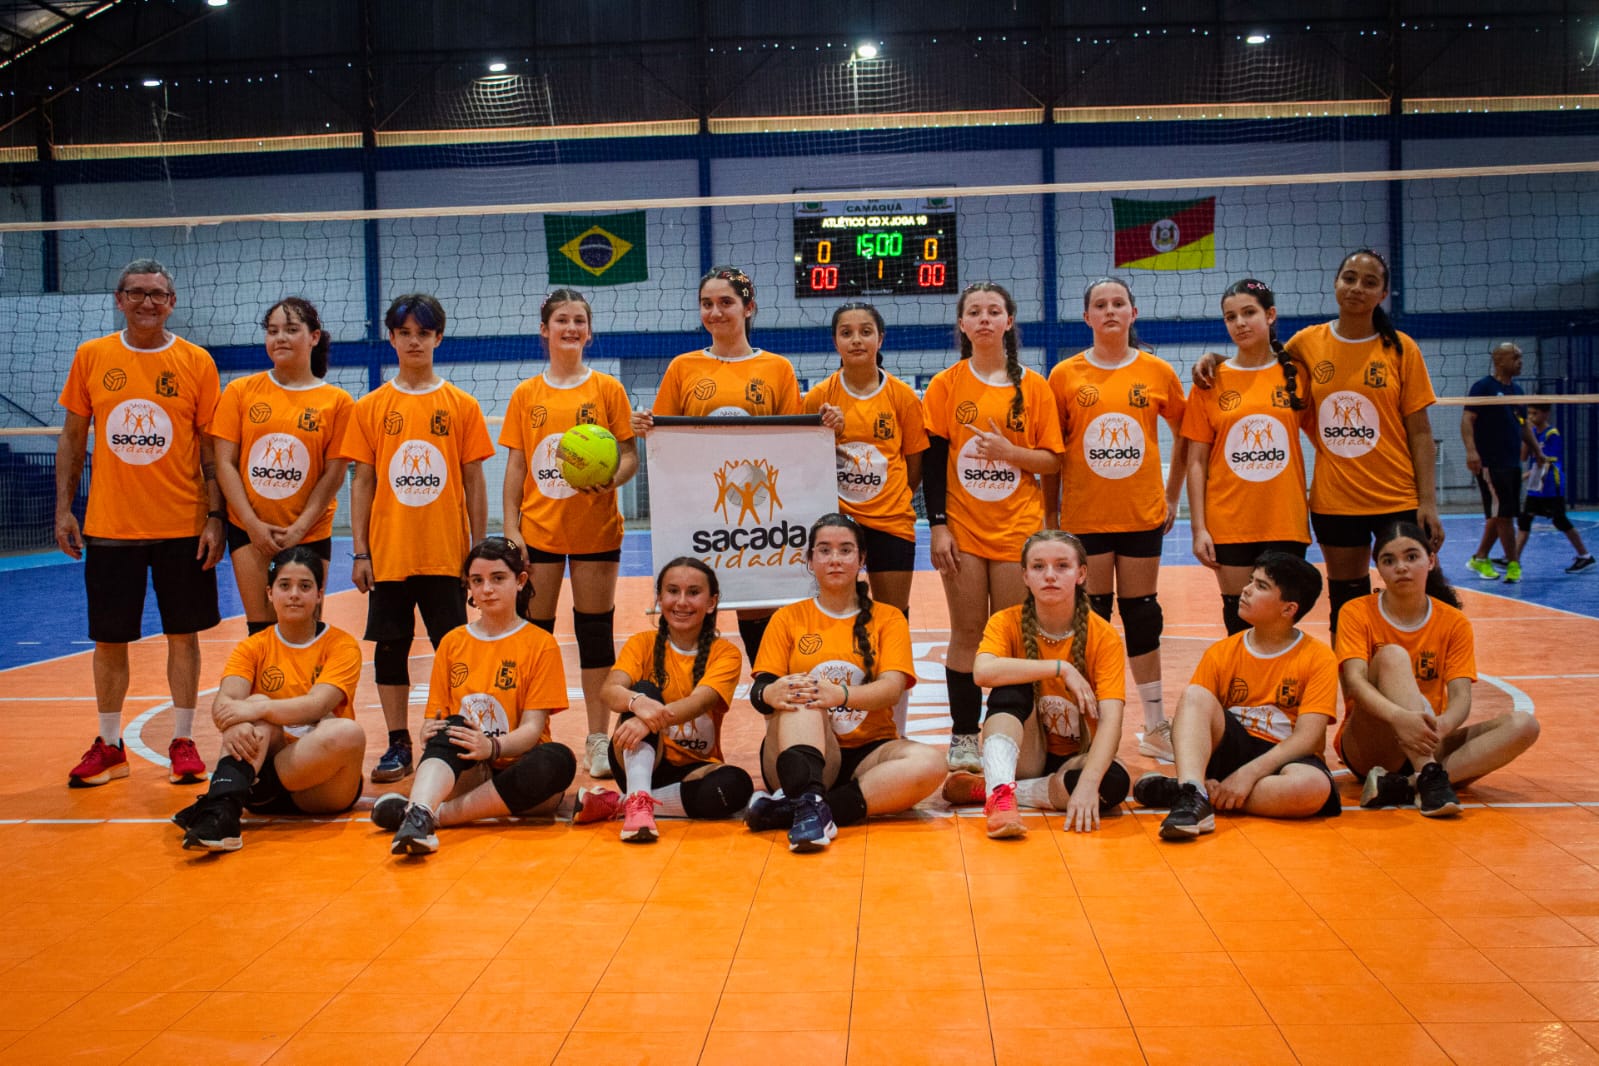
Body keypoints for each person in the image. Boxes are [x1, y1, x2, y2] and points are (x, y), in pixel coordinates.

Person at [1195, 249, 1441, 638]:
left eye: (1370, 282)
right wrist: (1216, 359)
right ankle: (1355, 688)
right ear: (1336, 283)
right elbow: (1260, 366)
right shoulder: (1309, 342)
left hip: (1398, 495)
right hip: (1336, 498)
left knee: (1419, 592)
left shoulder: (1400, 348)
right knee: (1347, 598)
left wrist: (1427, 500)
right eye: (1349, 278)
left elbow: (1421, 432)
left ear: (1384, 294)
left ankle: (1414, 678)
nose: (1357, 288)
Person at [55, 258, 223, 788]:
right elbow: (72, 437)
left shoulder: (197, 362)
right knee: (109, 640)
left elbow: (213, 450)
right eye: (137, 293)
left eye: (157, 294)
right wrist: (64, 508)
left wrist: (216, 516)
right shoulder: (92, 356)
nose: (147, 302)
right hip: (110, 525)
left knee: (182, 636)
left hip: (182, 524)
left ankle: (183, 739)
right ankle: (109, 745)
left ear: (172, 302)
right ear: (118, 299)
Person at [339, 293, 494, 784]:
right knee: (390, 647)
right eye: (404, 332)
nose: (413, 341)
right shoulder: (370, 407)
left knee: (455, 649)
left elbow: (474, 482)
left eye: (423, 333)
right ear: (391, 338)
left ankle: (451, 735)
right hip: (389, 553)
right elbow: (362, 481)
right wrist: (361, 550)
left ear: (438, 338)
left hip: (447, 552)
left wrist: (480, 553)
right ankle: (397, 742)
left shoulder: (461, 405)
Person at [922, 282, 1064, 773]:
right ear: (962, 325)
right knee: (966, 631)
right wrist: (938, 526)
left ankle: (1009, 729)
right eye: (974, 311)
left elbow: (1051, 462)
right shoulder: (946, 385)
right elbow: (935, 462)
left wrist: (1010, 453)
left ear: (1008, 322)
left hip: (1016, 530)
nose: (984, 318)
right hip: (961, 529)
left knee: (1009, 638)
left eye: (994, 311)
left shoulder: (1035, 386)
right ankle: (963, 738)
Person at [1046, 276, 1188, 761]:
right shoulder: (1065, 375)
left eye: (1118, 303)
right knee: (1092, 619)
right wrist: (1049, 515)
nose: (1110, 310)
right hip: (1084, 517)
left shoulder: (1157, 371)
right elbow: (1051, 449)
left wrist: (1173, 493)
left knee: (1142, 614)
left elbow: (1187, 431)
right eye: (1100, 305)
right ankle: (1089, 725)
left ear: (1133, 312)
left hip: (1141, 513)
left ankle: (1153, 724)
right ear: (1087, 317)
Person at [501, 289, 640, 780]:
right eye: (562, 320)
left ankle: (598, 737)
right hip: (538, 531)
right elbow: (517, 464)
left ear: (589, 330)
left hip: (596, 530)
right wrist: (508, 527)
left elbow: (628, 454)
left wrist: (614, 479)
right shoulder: (526, 394)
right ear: (545, 329)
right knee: (535, 637)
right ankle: (533, 733)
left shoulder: (606, 389)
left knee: (595, 633)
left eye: (579, 320)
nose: (571, 328)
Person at [631, 266, 802, 665]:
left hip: (758, 514)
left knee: (758, 608)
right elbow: (663, 439)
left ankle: (772, 714)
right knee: (690, 607)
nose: (715, 312)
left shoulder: (777, 369)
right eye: (707, 304)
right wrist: (644, 427)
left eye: (726, 302)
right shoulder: (683, 367)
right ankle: (688, 716)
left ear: (749, 308)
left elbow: (795, 443)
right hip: (698, 514)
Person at [746, 514, 945, 851]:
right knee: (803, 695)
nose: (835, 559)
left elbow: (892, 688)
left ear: (861, 559)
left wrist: (838, 694)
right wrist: (770, 691)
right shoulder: (787, 618)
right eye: (824, 550)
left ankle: (809, 810)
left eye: (845, 550)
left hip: (869, 754)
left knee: (932, 763)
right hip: (798, 750)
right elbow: (759, 690)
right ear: (810, 560)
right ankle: (808, 797)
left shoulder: (888, 618)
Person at [375, 538, 577, 855]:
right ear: (468, 586)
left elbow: (532, 729)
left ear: (520, 581)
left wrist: (492, 747)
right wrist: (428, 729)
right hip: (469, 768)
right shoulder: (453, 642)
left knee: (559, 758)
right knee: (452, 727)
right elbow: (436, 717)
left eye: (498, 578)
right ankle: (421, 815)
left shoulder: (540, 644)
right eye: (477, 581)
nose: (487, 589)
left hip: (519, 768)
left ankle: (426, 815)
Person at [1336, 521, 1540, 817]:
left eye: (1411, 557)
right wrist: (1401, 718)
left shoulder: (1453, 622)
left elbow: (1461, 698)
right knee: (1392, 656)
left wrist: (1441, 727)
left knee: (1525, 725)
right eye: (1389, 560)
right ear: (1378, 568)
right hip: (1372, 741)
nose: (1401, 567)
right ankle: (1428, 772)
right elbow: (1354, 681)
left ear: (1430, 561)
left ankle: (1405, 785)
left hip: (1428, 737)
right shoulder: (1356, 612)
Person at [1133, 552, 1342, 840]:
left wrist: (1248, 775)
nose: (1246, 590)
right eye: (1251, 581)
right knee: (1195, 695)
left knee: (1312, 789)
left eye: (1261, 586)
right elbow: (1193, 720)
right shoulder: (1223, 652)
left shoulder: (1318, 657)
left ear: (1288, 609)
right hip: (1232, 748)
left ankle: (1197, 794)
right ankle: (1194, 790)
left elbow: (1308, 737)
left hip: (1284, 756)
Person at [171, 547, 365, 851]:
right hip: (263, 769)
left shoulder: (341, 645)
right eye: (284, 585)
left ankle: (223, 797)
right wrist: (235, 723)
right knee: (252, 716)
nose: (294, 595)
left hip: (323, 785)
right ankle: (223, 815)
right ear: (269, 593)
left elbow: (316, 705)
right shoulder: (253, 647)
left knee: (346, 732)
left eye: (305, 586)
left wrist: (255, 708)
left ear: (319, 595)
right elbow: (224, 704)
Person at [950, 530, 1130, 837]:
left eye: (1062, 566)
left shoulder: (1104, 636)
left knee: (1114, 784)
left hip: (1074, 758)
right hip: (1027, 753)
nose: (1050, 576)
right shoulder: (1006, 622)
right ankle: (1003, 801)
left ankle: (993, 788)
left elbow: (1112, 719)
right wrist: (1059, 669)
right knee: (1010, 686)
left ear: (1081, 573)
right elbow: (982, 673)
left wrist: (1087, 784)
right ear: (1024, 576)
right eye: (1038, 567)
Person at [573, 557, 751, 843]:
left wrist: (650, 721)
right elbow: (610, 690)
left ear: (711, 602)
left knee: (737, 787)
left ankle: (625, 803)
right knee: (643, 690)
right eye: (672, 591)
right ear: (659, 597)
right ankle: (638, 797)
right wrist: (638, 705)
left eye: (693, 592)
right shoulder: (642, 643)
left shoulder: (725, 653)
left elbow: (700, 702)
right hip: (637, 758)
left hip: (694, 767)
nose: (681, 602)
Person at [212, 297, 352, 633]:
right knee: (261, 629)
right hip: (249, 529)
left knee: (303, 628)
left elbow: (333, 474)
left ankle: (306, 689)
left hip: (309, 530)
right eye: (273, 331)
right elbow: (224, 463)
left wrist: (301, 528)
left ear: (314, 336)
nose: (280, 338)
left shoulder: (337, 402)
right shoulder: (240, 391)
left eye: (291, 330)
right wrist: (251, 523)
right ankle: (263, 690)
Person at [1182, 279, 1310, 635]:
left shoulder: (1297, 374)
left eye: (1249, 312)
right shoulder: (1210, 381)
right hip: (1230, 521)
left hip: (1285, 518)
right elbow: (1196, 461)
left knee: (1282, 621)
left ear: (1270, 315)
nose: (1239, 322)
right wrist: (1199, 528)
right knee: (1239, 622)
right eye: (1230, 316)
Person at [803, 302, 930, 617]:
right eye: (846, 333)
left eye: (865, 332)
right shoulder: (818, 398)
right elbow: (803, 462)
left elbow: (915, 466)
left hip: (891, 521)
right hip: (840, 522)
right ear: (836, 342)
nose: (856, 340)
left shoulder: (902, 397)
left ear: (880, 339)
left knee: (893, 615)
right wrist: (828, 433)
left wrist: (890, 497)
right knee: (837, 612)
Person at [1462, 342, 1545, 584]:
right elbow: (1467, 420)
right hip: (1490, 462)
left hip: (1511, 463)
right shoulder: (1483, 387)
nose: (1521, 361)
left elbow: (1523, 426)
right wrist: (1471, 452)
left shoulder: (1517, 391)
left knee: (1499, 515)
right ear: (1499, 361)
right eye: (1515, 357)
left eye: (1521, 357)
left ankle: (1480, 557)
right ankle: (1514, 564)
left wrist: (1537, 452)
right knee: (1504, 515)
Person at [1518, 404, 1594, 573]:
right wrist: (1526, 435)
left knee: (1560, 520)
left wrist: (1532, 478)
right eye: (1529, 413)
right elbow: (1523, 457)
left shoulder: (1552, 434)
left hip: (1552, 483)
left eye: (1535, 413)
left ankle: (1585, 555)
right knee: (1525, 520)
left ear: (1546, 414)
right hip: (1536, 485)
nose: (1531, 417)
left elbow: (1546, 462)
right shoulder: (1533, 433)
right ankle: (1513, 560)